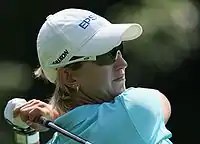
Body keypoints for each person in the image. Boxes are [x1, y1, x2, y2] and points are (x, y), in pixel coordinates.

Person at [12, 8, 172, 144]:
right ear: (70, 77)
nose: (122, 63)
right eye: (107, 55)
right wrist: (54, 115)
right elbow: (161, 101)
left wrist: (26, 129)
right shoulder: (134, 109)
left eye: (118, 49)